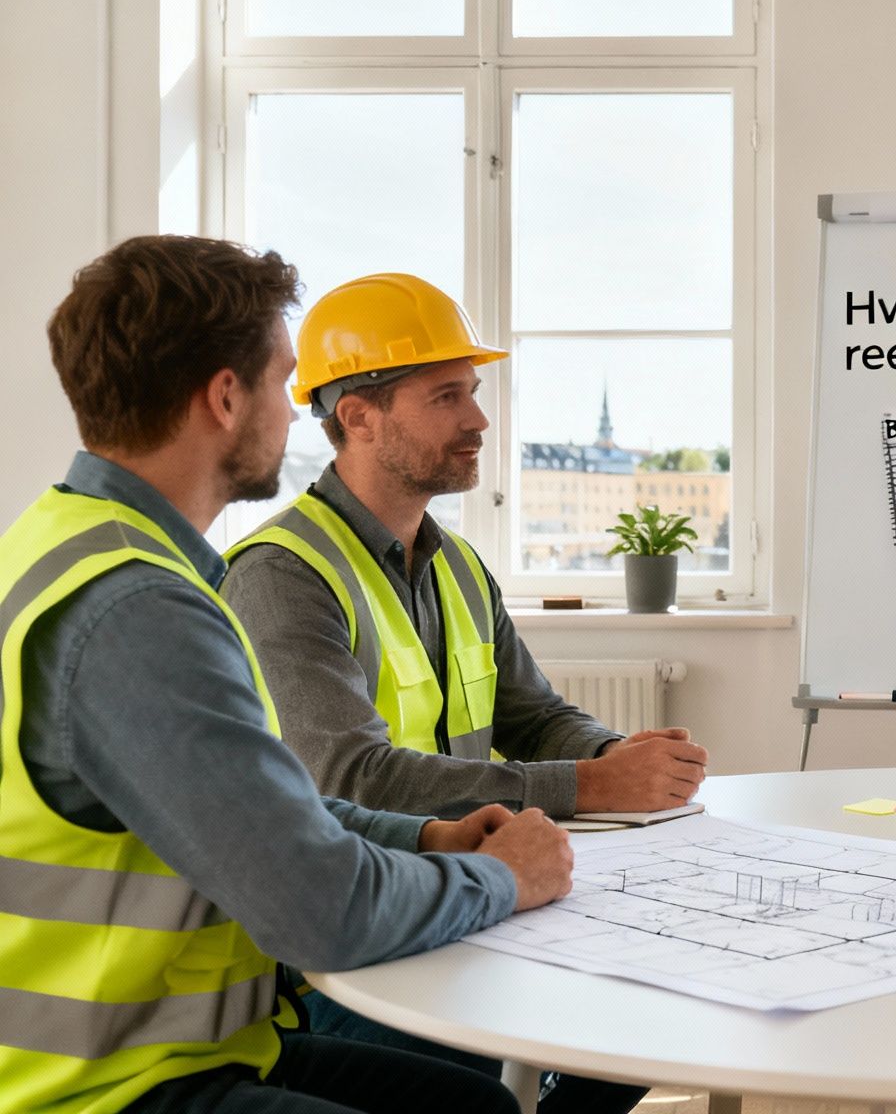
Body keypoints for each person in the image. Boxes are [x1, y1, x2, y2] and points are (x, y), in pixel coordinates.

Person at [2, 234, 574, 1114]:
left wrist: (424, 838)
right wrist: (506, 878)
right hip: (102, 1085)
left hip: (177, 1046)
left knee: (476, 1106)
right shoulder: (139, 608)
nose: (294, 406)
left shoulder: (84, 546)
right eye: (282, 379)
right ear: (225, 397)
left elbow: (260, 808)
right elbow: (321, 909)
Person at [218, 272, 695, 1113]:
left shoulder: (458, 564)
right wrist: (587, 787)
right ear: (357, 415)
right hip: (352, 949)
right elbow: (348, 779)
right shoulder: (282, 575)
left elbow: (533, 713)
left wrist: (616, 755)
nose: (479, 420)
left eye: (473, 393)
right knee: (488, 1086)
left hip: (470, 899)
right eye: (447, 396)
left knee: (647, 1015)